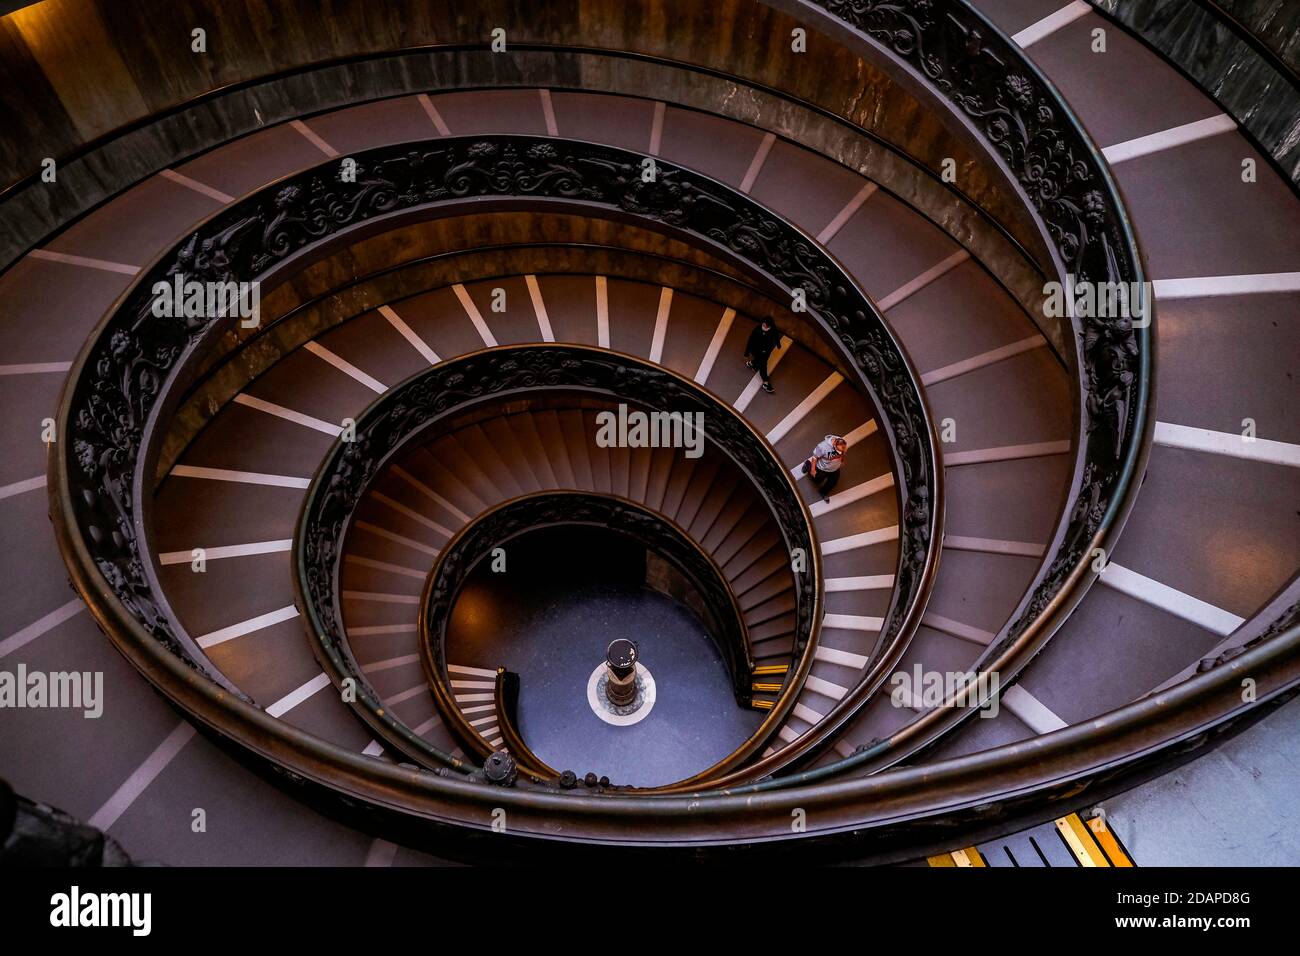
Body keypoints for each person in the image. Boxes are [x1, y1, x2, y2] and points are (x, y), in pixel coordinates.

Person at [804, 434, 847, 502]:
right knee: (817, 480)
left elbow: (843, 453)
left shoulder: (842, 443)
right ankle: (807, 464)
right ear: (834, 445)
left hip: (834, 469)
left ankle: (823, 492)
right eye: (838, 451)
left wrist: (842, 460)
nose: (840, 452)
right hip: (822, 468)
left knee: (833, 482)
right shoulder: (822, 447)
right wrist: (812, 470)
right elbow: (815, 457)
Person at [744, 316, 782, 394]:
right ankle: (766, 382)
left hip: (766, 351)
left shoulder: (772, 330)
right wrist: (747, 352)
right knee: (763, 366)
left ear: (769, 325)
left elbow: (776, 336)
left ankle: (753, 364)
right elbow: (750, 339)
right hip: (756, 349)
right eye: (763, 324)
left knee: (761, 361)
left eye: (765, 325)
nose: (763, 326)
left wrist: (778, 344)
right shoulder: (758, 328)